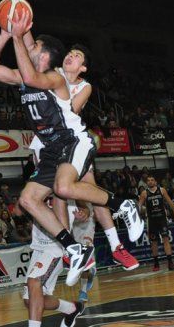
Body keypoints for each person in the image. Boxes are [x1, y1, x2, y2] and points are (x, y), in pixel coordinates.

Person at [0, 12, 142, 286]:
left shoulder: (55, 78)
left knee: (64, 188)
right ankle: (73, 247)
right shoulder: (25, 75)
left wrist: (19, 36)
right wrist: (5, 35)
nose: (30, 50)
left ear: (44, 57)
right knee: (28, 199)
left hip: (73, 140)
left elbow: (33, 69)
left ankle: (122, 206)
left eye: (36, 49)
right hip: (51, 149)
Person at [29, 45, 139, 272]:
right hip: (45, 143)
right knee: (58, 192)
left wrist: (56, 87)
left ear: (83, 67)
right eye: (70, 53)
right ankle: (72, 249)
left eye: (77, 55)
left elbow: (72, 109)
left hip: (69, 141)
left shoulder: (84, 86)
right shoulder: (52, 74)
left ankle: (116, 246)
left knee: (91, 188)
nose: (71, 55)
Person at [15, 201, 84, 327]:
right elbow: (17, 212)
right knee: (30, 301)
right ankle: (72, 308)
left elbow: (83, 203)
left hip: (56, 248)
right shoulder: (38, 188)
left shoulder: (64, 189)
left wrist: (84, 211)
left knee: (34, 281)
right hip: (38, 248)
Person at [138, 175, 174, 272]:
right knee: (154, 242)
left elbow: (170, 203)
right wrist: (136, 214)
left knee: (166, 239)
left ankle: (170, 262)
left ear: (155, 182)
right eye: (148, 180)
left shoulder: (162, 190)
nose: (150, 182)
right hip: (151, 220)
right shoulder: (144, 193)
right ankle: (156, 263)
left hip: (162, 219)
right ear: (146, 183)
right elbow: (139, 206)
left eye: (152, 180)